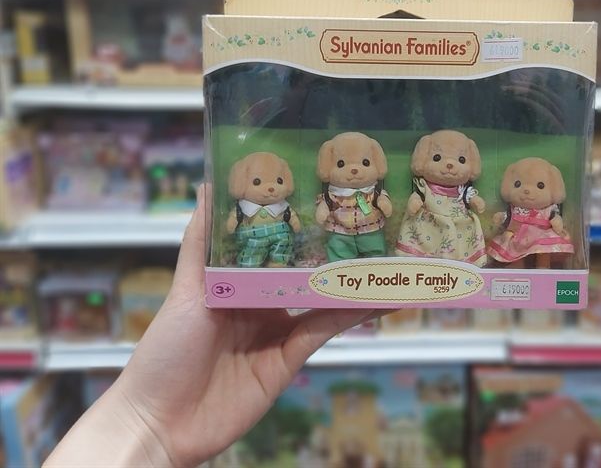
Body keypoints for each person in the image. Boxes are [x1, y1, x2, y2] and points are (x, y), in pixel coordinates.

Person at [45, 186, 381, 467]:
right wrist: (146, 418)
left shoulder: (349, 198)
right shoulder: (284, 203)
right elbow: (245, 223)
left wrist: (145, 422)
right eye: (258, 182)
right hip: (273, 245)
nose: (268, 188)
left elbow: (299, 221)